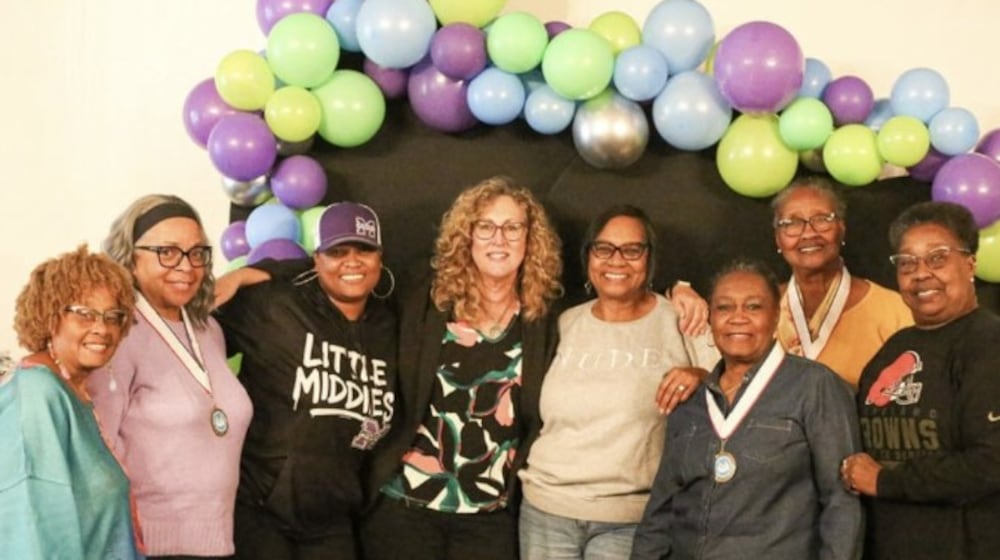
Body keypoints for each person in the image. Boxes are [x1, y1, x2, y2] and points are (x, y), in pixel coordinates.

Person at [359, 176, 564, 560]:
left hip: (489, 518)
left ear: (530, 238)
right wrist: (261, 270)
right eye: (485, 226)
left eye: (512, 227)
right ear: (466, 236)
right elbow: (348, 278)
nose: (498, 239)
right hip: (405, 507)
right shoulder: (427, 298)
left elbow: (614, 296)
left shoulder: (545, 319)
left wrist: (681, 291)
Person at [516, 205, 719, 559]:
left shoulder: (680, 319)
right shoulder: (563, 324)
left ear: (649, 259)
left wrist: (700, 376)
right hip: (546, 508)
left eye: (632, 250)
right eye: (604, 248)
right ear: (589, 256)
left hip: (631, 518)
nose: (617, 261)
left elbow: (736, 388)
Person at [632, 258, 863, 560]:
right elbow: (661, 509)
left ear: (775, 315)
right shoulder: (691, 400)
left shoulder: (815, 387)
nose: (737, 318)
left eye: (753, 307)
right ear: (711, 319)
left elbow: (841, 503)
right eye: (724, 308)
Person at [214, 201, 398, 560]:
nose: (352, 261)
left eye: (364, 249)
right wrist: (254, 272)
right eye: (337, 251)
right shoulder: (276, 307)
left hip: (333, 520)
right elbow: (191, 333)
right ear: (317, 259)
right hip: (260, 511)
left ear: (380, 257)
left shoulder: (391, 324)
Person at [86, 194, 253, 559]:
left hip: (217, 543)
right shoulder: (118, 332)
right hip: (144, 545)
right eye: (167, 251)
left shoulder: (208, 329)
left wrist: (240, 274)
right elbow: (97, 452)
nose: (187, 266)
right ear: (130, 257)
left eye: (197, 253)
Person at [842, 201, 1000, 559]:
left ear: (970, 263)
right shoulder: (895, 349)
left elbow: (990, 463)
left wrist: (886, 482)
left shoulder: (989, 345)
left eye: (938, 258)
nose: (921, 273)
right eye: (907, 262)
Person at [1, 245, 141, 559]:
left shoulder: (74, 393)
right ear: (50, 317)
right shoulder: (38, 393)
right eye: (85, 313)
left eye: (113, 316)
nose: (102, 328)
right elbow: (34, 528)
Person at [772, 177, 912, 388]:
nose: (808, 233)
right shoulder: (758, 308)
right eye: (792, 223)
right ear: (778, 239)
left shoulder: (895, 312)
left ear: (841, 229)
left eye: (821, 219)